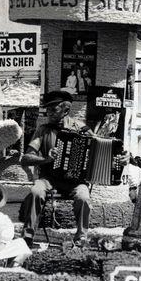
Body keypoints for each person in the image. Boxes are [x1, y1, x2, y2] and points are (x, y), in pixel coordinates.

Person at [20, 90, 93, 247]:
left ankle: (81, 238)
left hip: (75, 181)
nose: (49, 113)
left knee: (84, 197)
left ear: (66, 110)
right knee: (35, 191)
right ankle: (27, 236)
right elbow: (25, 159)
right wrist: (46, 159)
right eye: (47, 109)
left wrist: (121, 157)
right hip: (49, 179)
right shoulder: (43, 130)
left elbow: (98, 150)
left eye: (54, 109)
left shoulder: (83, 130)